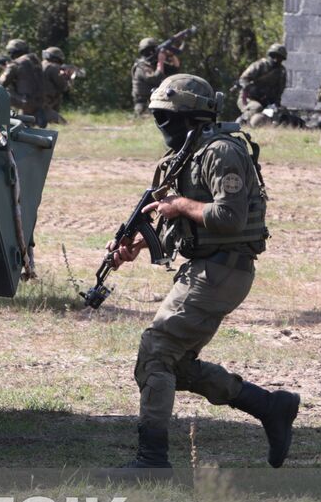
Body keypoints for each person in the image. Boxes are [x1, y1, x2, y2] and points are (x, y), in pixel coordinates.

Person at [106, 74, 299, 469]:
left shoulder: (221, 153)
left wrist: (179, 206)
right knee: (176, 364)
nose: (162, 124)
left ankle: (152, 461)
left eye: (168, 116)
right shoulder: (184, 155)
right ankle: (269, 406)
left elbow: (228, 217)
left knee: (156, 352)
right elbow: (173, 219)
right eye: (159, 115)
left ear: (193, 116)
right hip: (206, 270)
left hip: (222, 270)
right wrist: (135, 244)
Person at [235, 43, 288, 121]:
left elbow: (280, 90)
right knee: (256, 108)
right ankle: (241, 122)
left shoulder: (281, 72)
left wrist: (276, 104)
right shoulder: (260, 65)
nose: (276, 60)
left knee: (282, 113)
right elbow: (243, 79)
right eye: (274, 56)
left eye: (279, 58)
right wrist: (253, 89)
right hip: (248, 98)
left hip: (267, 101)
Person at [0, 39, 46, 125]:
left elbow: (1, 84)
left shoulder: (16, 64)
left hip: (26, 101)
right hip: (40, 101)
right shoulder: (36, 61)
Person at [131, 37, 180, 116]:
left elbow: (175, 69)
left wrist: (171, 55)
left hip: (156, 102)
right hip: (144, 105)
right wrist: (161, 61)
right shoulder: (141, 66)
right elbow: (155, 79)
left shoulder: (154, 64)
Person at [40, 47, 74, 125]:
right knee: (64, 124)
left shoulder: (39, 64)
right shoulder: (54, 68)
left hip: (34, 101)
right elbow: (64, 87)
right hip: (45, 104)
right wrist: (69, 78)